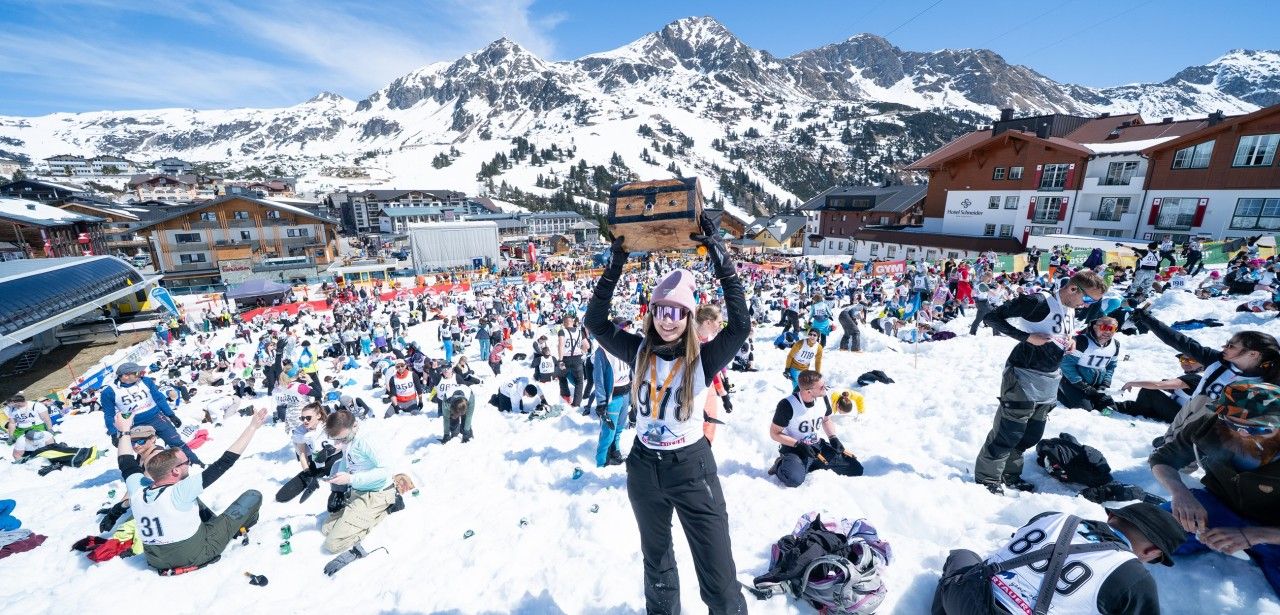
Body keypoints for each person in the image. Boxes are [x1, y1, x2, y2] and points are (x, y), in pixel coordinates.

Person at [584, 214, 749, 614]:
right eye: (660, 310)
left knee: (717, 573)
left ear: (689, 317)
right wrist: (616, 264)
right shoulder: (638, 350)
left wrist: (718, 253)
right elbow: (596, 323)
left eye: (677, 312)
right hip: (644, 466)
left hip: (690, 467)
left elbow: (740, 326)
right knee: (656, 565)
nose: (667, 320)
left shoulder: (702, 358)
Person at [975, 271, 1107, 494]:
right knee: (1009, 432)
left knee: (1031, 434)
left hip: (1050, 378)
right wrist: (1026, 337)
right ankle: (987, 478)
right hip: (1023, 373)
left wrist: (1071, 341)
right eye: (1086, 299)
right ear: (1073, 289)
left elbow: (1057, 332)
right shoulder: (1038, 301)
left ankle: (1010, 474)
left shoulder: (1069, 308)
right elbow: (991, 317)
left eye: (1092, 302)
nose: (1086, 305)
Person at [931, 503, 1184, 615]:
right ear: (1151, 552)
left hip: (963, 597)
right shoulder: (1134, 577)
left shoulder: (1055, 517)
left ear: (1111, 518)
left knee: (962, 556)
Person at [1149, 382, 1280, 596]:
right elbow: (1162, 459)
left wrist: (1255, 534)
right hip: (1217, 507)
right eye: (1232, 423)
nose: (1242, 434)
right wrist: (1180, 493)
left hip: (1274, 531)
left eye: (1259, 429)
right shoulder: (1209, 426)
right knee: (1147, 531)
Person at [114, 406, 268, 573]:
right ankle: (238, 528)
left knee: (194, 502)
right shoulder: (180, 491)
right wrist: (252, 427)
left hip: (155, 560)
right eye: (186, 462)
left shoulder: (137, 489)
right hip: (193, 556)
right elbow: (225, 462)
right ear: (175, 471)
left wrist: (124, 431)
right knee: (253, 496)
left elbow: (125, 461)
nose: (189, 463)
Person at [1128, 309, 1280, 445]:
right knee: (1175, 434)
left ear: (1253, 354)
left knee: (1185, 451)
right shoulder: (1216, 359)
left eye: (1231, 346)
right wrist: (1148, 319)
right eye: (1227, 343)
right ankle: (1170, 440)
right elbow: (1178, 340)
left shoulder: (1267, 383)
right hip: (1189, 411)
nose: (1224, 347)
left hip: (1217, 429)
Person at [319, 409, 397, 576]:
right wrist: (337, 479)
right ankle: (360, 517)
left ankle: (388, 508)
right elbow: (346, 460)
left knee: (333, 544)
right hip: (358, 492)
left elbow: (385, 470)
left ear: (355, 425)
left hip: (377, 494)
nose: (340, 443)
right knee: (326, 528)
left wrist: (351, 479)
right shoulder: (349, 438)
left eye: (343, 438)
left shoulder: (368, 440)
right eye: (336, 439)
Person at [767, 370, 863, 487]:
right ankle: (780, 464)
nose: (825, 388)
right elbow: (774, 433)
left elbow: (826, 420)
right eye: (822, 387)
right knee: (793, 480)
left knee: (855, 469)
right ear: (808, 391)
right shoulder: (787, 405)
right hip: (795, 449)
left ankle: (809, 465)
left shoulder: (823, 398)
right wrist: (798, 444)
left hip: (816, 446)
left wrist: (833, 438)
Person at [101, 362, 203, 467]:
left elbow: (159, 398)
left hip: (156, 417)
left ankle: (196, 463)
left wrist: (171, 415)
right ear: (125, 376)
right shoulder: (109, 392)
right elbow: (109, 415)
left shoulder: (146, 381)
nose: (140, 374)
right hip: (135, 424)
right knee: (144, 450)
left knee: (176, 441)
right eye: (137, 372)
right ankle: (148, 471)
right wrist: (113, 433)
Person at [276, 403, 341, 503]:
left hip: (336, 455)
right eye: (302, 418)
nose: (305, 421)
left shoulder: (329, 424)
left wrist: (331, 450)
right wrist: (307, 472)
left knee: (333, 468)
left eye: (308, 418)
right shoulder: (301, 432)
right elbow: (302, 454)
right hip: (316, 460)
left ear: (318, 415)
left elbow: (345, 442)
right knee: (282, 496)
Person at [1112, 353, 1204, 423]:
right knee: (1137, 403)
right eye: (1183, 359)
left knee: (1148, 391)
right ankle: (1111, 405)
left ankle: (1122, 410)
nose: (1186, 362)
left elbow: (1158, 385)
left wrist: (1131, 383)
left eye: (1192, 360)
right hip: (1181, 415)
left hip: (1180, 418)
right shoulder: (1202, 379)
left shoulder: (1195, 378)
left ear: (1202, 364)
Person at [591, 317, 633, 467]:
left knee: (619, 428)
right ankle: (601, 462)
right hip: (612, 397)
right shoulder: (602, 351)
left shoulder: (626, 347)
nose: (626, 329)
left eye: (627, 326)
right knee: (608, 432)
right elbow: (599, 379)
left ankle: (615, 452)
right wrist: (601, 402)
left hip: (625, 393)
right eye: (623, 326)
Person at [1057, 317, 1121, 412]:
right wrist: (1082, 385)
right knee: (1085, 409)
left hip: (1096, 385)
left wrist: (1106, 383)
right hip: (1073, 383)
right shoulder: (1082, 341)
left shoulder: (1115, 345)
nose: (1108, 331)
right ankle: (1058, 392)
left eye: (1112, 329)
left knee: (1109, 409)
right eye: (1104, 327)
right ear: (1095, 327)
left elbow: (1111, 367)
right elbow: (1066, 365)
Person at [11, 428, 98, 474]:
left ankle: (79, 455)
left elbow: (53, 448)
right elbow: (17, 456)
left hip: (44, 449)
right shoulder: (21, 441)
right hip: (30, 452)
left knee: (57, 453)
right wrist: (23, 463)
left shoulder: (46, 435)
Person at [558, 314, 591, 407]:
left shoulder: (562, 331)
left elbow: (561, 345)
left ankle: (566, 395)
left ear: (564, 323)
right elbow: (587, 346)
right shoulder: (580, 332)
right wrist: (582, 351)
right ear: (572, 322)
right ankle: (576, 403)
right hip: (577, 359)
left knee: (562, 376)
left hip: (566, 359)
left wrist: (560, 360)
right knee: (579, 381)